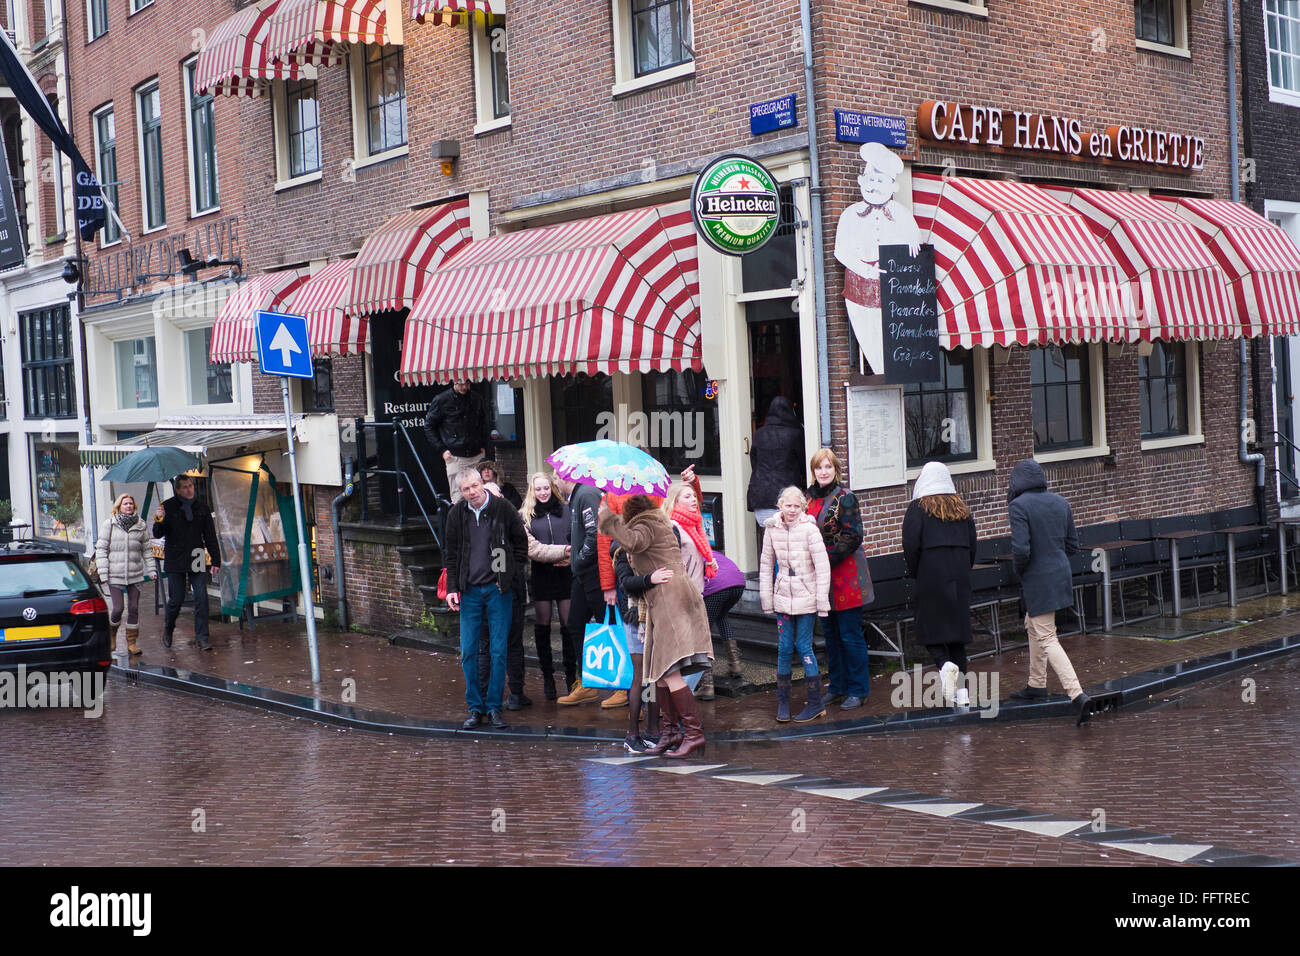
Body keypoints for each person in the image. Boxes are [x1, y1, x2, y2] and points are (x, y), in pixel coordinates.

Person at [600, 495, 712, 758]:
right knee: (660, 672)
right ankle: (671, 732)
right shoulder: (660, 524)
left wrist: (606, 516)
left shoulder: (646, 526)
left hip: (669, 602)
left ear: (629, 516)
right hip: (664, 602)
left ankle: (694, 734)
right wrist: (649, 577)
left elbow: (633, 541)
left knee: (669, 670)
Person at [1006, 459, 1093, 725]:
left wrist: (1021, 571)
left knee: (1047, 636)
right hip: (1060, 573)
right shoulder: (1061, 503)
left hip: (1038, 577)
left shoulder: (1018, 506)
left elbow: (1021, 550)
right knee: (1033, 624)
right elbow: (1073, 546)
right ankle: (1036, 684)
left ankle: (1077, 695)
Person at [444, 467, 528, 730]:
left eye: (474, 487)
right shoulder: (457, 514)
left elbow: (520, 544)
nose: (471, 493)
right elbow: (452, 553)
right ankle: (475, 707)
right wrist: (452, 588)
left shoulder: (503, 508)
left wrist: (508, 575)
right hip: (469, 592)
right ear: (461, 491)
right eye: (465, 489)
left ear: (483, 484)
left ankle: (494, 707)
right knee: (468, 652)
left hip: (497, 590)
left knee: (498, 650)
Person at [833, 141, 922, 374]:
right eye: (870, 180)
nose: (873, 187)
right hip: (859, 288)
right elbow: (840, 251)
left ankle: (888, 370)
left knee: (893, 336)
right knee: (868, 333)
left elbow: (917, 248)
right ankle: (877, 369)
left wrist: (913, 241)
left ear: (893, 187)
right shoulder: (849, 214)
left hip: (893, 288)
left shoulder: (903, 216)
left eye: (880, 181)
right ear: (861, 181)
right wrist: (866, 270)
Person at [902, 462, 978, 708]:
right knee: (957, 635)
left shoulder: (917, 509)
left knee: (927, 626)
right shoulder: (962, 509)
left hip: (930, 572)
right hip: (959, 575)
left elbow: (910, 546)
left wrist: (916, 572)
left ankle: (944, 664)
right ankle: (963, 692)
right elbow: (973, 544)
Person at [806, 448, 873, 709]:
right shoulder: (807, 499)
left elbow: (853, 535)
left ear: (836, 470)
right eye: (819, 468)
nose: (823, 472)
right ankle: (837, 686)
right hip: (821, 577)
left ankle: (858, 689)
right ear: (813, 471)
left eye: (828, 467)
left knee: (849, 634)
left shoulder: (846, 498)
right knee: (830, 635)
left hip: (845, 574)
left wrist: (826, 559)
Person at [760, 487, 831, 722]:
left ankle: (815, 702)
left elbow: (822, 567)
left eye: (796, 506)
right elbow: (766, 565)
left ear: (803, 508)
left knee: (804, 647)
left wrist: (821, 601)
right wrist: (767, 599)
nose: (791, 510)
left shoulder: (810, 530)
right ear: (780, 506)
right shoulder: (771, 529)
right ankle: (783, 702)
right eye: (787, 505)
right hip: (782, 597)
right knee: (783, 648)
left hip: (807, 598)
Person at [554, 474, 609, 706]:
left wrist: (578, 559)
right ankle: (586, 683)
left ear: (564, 477)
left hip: (595, 575)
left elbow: (595, 534)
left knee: (610, 627)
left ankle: (622, 686)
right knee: (575, 625)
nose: (555, 483)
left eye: (555, 478)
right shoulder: (576, 497)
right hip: (582, 574)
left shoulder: (586, 494)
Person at [611, 539, 670, 752]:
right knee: (641, 675)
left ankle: (653, 730)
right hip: (636, 617)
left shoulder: (654, 543)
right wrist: (650, 579)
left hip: (657, 615)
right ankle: (632, 733)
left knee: (653, 676)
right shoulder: (621, 549)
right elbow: (627, 583)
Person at [663, 478, 719, 699]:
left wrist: (707, 562)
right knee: (686, 652)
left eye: (694, 496)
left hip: (696, 594)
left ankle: (680, 703)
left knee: (699, 653)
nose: (694, 499)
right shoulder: (673, 526)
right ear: (674, 501)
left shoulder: (693, 524)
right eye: (687, 496)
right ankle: (675, 704)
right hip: (680, 597)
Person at [153, 475, 222, 651]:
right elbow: (158, 533)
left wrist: (215, 560)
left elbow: (210, 535)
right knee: (177, 598)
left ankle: (202, 637)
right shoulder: (167, 506)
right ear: (177, 490)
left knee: (201, 596)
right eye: (184, 487)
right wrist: (158, 518)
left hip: (197, 554)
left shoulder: (202, 508)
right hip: (175, 557)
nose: (189, 489)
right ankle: (168, 628)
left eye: (191, 485)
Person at [520, 472, 572, 701]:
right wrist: (561, 553)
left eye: (546, 488)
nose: (542, 492)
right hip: (541, 574)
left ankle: (572, 678)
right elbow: (532, 549)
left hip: (565, 573)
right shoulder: (525, 516)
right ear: (532, 490)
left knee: (568, 625)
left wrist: (569, 557)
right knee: (541, 625)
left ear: (552, 488)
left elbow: (575, 539)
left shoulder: (567, 511)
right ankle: (548, 677)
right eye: (538, 489)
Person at [423, 381, 495, 504]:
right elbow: (429, 426)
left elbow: (483, 424)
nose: (464, 387)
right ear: (453, 382)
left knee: (481, 495)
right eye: (460, 384)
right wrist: (442, 450)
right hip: (455, 456)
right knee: (458, 498)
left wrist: (483, 445)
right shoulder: (441, 400)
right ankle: (461, 523)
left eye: (467, 384)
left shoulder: (476, 398)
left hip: (476, 454)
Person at [95, 493, 149, 656]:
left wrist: (152, 570)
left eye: (131, 503)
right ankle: (112, 635)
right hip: (115, 574)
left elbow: (146, 549)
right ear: (118, 507)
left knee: (133, 608)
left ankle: (132, 643)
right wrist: (104, 574)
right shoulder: (109, 524)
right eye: (125, 504)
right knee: (118, 608)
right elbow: (101, 549)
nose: (128, 506)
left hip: (135, 574)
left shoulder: (141, 525)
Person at [747, 396, 806, 534]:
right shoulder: (796, 434)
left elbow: (754, 462)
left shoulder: (759, 434)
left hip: (760, 495)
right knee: (786, 543)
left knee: (769, 542)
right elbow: (803, 463)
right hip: (786, 498)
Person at [703, 550, 747, 681]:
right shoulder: (709, 551)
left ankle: (706, 682)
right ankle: (735, 665)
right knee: (721, 616)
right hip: (738, 583)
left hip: (716, 587)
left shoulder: (690, 553)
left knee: (703, 630)